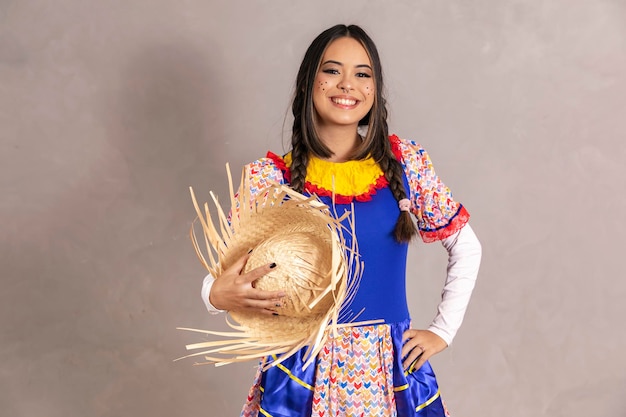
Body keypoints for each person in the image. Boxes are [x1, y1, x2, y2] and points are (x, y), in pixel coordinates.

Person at [200, 24, 482, 417]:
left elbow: (466, 247)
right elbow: (222, 276)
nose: (347, 84)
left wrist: (442, 331)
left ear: (375, 89)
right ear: (306, 86)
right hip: (298, 372)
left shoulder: (404, 167)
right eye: (332, 71)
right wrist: (214, 295)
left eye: (362, 74)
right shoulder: (270, 180)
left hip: (387, 372)